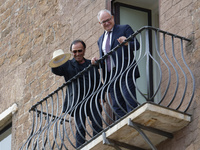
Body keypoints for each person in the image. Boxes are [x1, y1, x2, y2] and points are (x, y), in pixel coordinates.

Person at [51, 40, 102, 148]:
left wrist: (100, 98)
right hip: (78, 100)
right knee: (80, 127)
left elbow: (98, 81)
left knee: (97, 122)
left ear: (84, 51)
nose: (77, 54)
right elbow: (56, 71)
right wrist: (56, 60)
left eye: (80, 51)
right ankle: (81, 147)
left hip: (92, 98)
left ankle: (99, 143)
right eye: (74, 52)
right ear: (71, 52)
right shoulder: (67, 64)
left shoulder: (90, 64)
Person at [91, 9, 140, 119]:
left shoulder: (124, 28)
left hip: (125, 71)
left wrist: (127, 42)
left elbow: (137, 45)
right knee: (117, 105)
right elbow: (105, 58)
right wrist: (96, 62)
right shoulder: (100, 40)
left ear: (112, 18)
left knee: (129, 99)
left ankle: (134, 123)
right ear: (100, 24)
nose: (107, 23)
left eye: (108, 20)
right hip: (111, 76)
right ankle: (123, 129)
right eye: (104, 22)